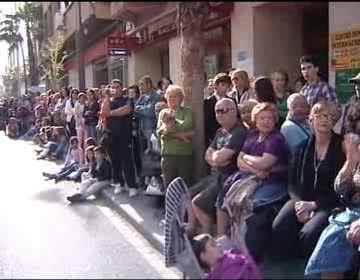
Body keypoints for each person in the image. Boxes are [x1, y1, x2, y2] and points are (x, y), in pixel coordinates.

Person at [272, 101, 346, 261]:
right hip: (302, 198)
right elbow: (292, 183)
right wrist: (299, 204)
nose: (324, 120)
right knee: (280, 226)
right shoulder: (301, 147)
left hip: (329, 202)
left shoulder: (341, 148)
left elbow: (343, 190)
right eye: (319, 115)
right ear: (310, 119)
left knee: (309, 234)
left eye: (328, 116)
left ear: (334, 121)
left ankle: (313, 267)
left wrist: (314, 205)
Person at [219, 102, 290, 257]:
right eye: (262, 118)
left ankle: (244, 250)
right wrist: (255, 169)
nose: (266, 121)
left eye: (269, 118)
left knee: (249, 204)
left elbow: (265, 163)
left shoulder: (276, 138)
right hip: (253, 177)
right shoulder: (252, 135)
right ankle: (226, 239)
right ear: (255, 120)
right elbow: (239, 161)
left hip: (274, 181)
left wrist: (248, 159)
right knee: (226, 197)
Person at [305, 108, 360, 279]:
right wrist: (351, 161)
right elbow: (341, 189)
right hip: (352, 211)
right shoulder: (355, 152)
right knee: (331, 239)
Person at [189, 98, 248, 235]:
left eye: (223, 111)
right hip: (217, 175)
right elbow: (208, 154)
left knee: (197, 203)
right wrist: (217, 160)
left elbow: (220, 157)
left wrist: (216, 158)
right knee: (188, 194)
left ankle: (208, 235)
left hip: (230, 178)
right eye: (217, 111)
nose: (219, 114)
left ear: (234, 112)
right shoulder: (221, 131)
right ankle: (192, 229)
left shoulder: (239, 132)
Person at [102, 79, 139, 197]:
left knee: (127, 161)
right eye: (112, 87)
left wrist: (110, 113)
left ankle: (132, 185)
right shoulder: (109, 100)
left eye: (117, 87)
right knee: (115, 161)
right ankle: (118, 183)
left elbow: (126, 110)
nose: (115, 89)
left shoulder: (127, 99)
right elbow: (104, 111)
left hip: (124, 135)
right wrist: (107, 96)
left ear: (122, 88)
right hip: (111, 135)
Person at [157, 85, 194, 188]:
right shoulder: (163, 113)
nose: (172, 99)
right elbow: (159, 132)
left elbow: (187, 125)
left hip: (184, 155)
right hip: (168, 155)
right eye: (170, 97)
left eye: (175, 97)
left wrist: (169, 126)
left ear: (181, 98)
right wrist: (181, 135)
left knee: (185, 185)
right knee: (169, 186)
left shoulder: (187, 111)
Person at [191, 233, 261, 280]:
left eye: (216, 243)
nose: (218, 245)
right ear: (203, 256)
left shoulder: (232, 261)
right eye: (213, 245)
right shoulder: (212, 276)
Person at [135, 75, 161, 166]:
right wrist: (140, 108)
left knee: (153, 156)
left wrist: (139, 108)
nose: (140, 87)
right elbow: (134, 109)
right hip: (141, 129)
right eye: (139, 85)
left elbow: (150, 112)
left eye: (142, 84)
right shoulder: (142, 97)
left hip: (151, 130)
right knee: (143, 156)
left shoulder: (156, 96)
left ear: (149, 84)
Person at [204, 73, 233, 147]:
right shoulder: (207, 102)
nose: (225, 88)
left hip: (229, 137)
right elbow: (206, 123)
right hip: (212, 138)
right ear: (215, 85)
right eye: (223, 85)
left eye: (227, 86)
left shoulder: (232, 101)